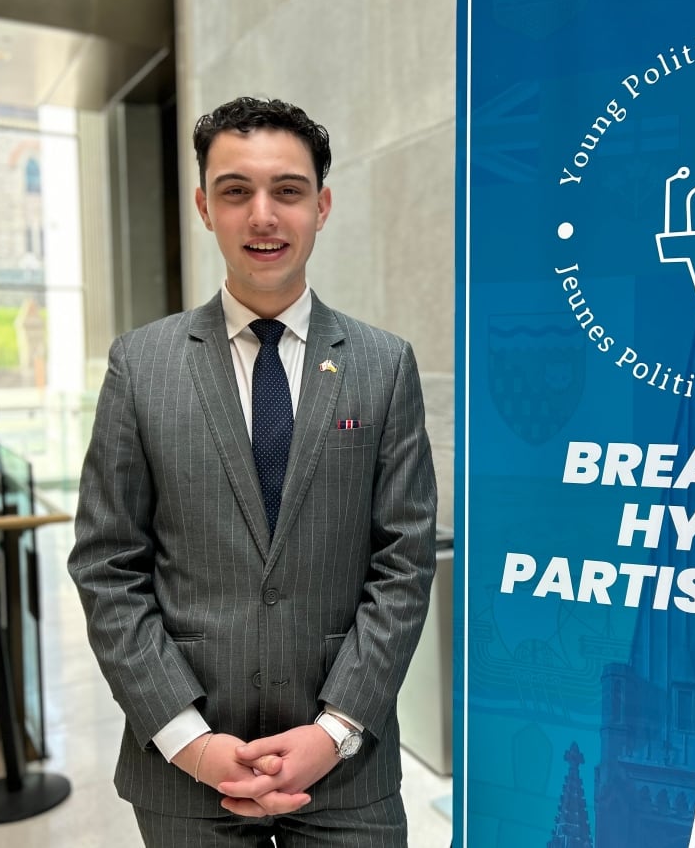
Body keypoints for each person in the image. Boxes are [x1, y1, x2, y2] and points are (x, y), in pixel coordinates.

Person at [68, 96, 438, 847]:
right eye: (236, 191)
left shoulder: (383, 363)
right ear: (205, 207)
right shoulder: (141, 365)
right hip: (186, 766)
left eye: (288, 190)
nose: (262, 214)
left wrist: (333, 729)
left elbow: (403, 561)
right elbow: (108, 564)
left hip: (349, 767)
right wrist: (188, 739)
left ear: (322, 205)